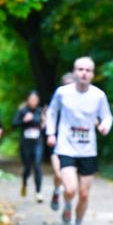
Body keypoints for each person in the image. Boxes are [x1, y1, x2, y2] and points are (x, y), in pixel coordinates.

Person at [45, 57, 113, 225]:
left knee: (84, 194)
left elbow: (106, 116)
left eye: (88, 70)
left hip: (88, 150)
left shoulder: (98, 95)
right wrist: (51, 133)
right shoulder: (62, 93)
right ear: (74, 72)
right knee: (70, 189)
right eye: (80, 69)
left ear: (92, 74)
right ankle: (66, 201)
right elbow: (51, 113)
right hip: (66, 147)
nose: (84, 73)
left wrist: (105, 126)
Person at [44, 72, 75, 212]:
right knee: (58, 174)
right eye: (65, 85)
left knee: (71, 182)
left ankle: (68, 204)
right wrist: (50, 133)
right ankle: (57, 191)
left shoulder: (81, 102)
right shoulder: (57, 101)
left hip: (75, 145)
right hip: (57, 142)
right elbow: (48, 115)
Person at [12, 91, 45, 201]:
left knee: (37, 166)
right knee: (27, 167)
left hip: (37, 143)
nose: (33, 101)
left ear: (38, 100)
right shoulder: (22, 111)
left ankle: (38, 192)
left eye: (35, 99)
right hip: (26, 144)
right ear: (27, 100)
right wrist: (24, 120)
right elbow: (14, 124)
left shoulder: (40, 112)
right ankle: (24, 183)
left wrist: (44, 123)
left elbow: (44, 126)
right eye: (31, 99)